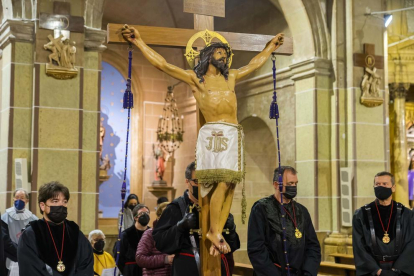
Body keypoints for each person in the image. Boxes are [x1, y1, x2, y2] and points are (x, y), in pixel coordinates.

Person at [122, 26, 284, 254]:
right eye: (220, 53)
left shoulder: (232, 77)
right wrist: (139, 42)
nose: (225, 57)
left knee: (230, 184)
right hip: (214, 134)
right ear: (208, 56)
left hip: (233, 133)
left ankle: (216, 230)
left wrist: (270, 47)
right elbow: (163, 65)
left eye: (226, 54)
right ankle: (214, 231)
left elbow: (254, 64)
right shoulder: (196, 80)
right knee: (221, 181)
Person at [153, 162, 240, 276]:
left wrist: (231, 229)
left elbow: (233, 246)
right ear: (187, 182)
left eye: (206, 182)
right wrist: (180, 226)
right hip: (186, 269)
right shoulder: (175, 208)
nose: (202, 186)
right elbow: (160, 242)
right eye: (197, 182)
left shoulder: (217, 208)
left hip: (216, 268)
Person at [248, 166, 321, 276]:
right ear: (276, 185)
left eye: (296, 183)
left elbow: (313, 246)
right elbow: (256, 249)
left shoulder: (302, 211)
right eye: (290, 183)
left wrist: (308, 273)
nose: (294, 187)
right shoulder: (261, 208)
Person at [18, 181, 94, 276]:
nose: (61, 205)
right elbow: (31, 268)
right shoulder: (31, 234)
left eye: (64, 201)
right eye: (55, 201)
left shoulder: (75, 232)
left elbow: (86, 264)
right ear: (42, 206)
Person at [352, 171, 414, 276]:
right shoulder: (361, 215)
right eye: (377, 184)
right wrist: (377, 271)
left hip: (400, 272)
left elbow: (411, 243)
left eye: (385, 184)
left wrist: (397, 270)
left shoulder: (406, 214)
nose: (380, 187)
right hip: (373, 271)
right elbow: (359, 246)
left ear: (393, 188)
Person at [1, 188, 38, 272]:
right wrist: (19, 253)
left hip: (28, 257)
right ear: (13, 199)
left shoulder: (34, 219)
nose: (19, 200)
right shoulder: (4, 218)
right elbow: (4, 239)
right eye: (17, 197)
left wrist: (27, 253)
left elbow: (36, 239)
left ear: (27, 200)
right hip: (10, 256)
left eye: (22, 198)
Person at [136, 201, 173, 276]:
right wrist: (166, 259)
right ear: (159, 217)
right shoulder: (150, 234)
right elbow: (140, 258)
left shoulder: (175, 233)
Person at [118, 204, 150, 276]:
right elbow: (119, 257)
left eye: (147, 213)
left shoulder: (152, 233)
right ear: (135, 217)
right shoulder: (126, 234)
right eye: (142, 213)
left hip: (148, 270)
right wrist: (127, 270)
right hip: (131, 271)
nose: (145, 215)